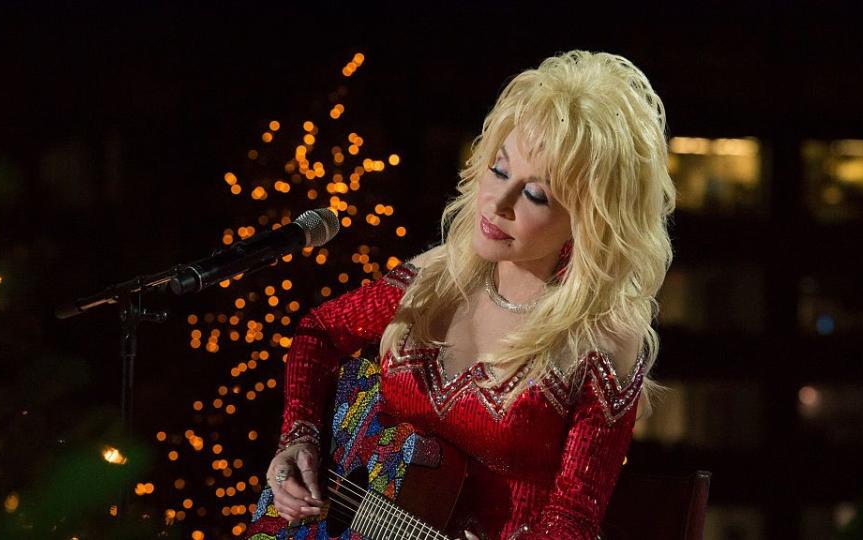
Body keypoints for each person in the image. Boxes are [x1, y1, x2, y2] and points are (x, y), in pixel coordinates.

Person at [257, 50, 675, 540]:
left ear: (591, 220)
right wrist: (298, 437)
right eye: (499, 170)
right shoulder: (431, 278)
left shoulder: (603, 337)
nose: (497, 203)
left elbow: (574, 520)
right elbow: (318, 332)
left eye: (535, 195)